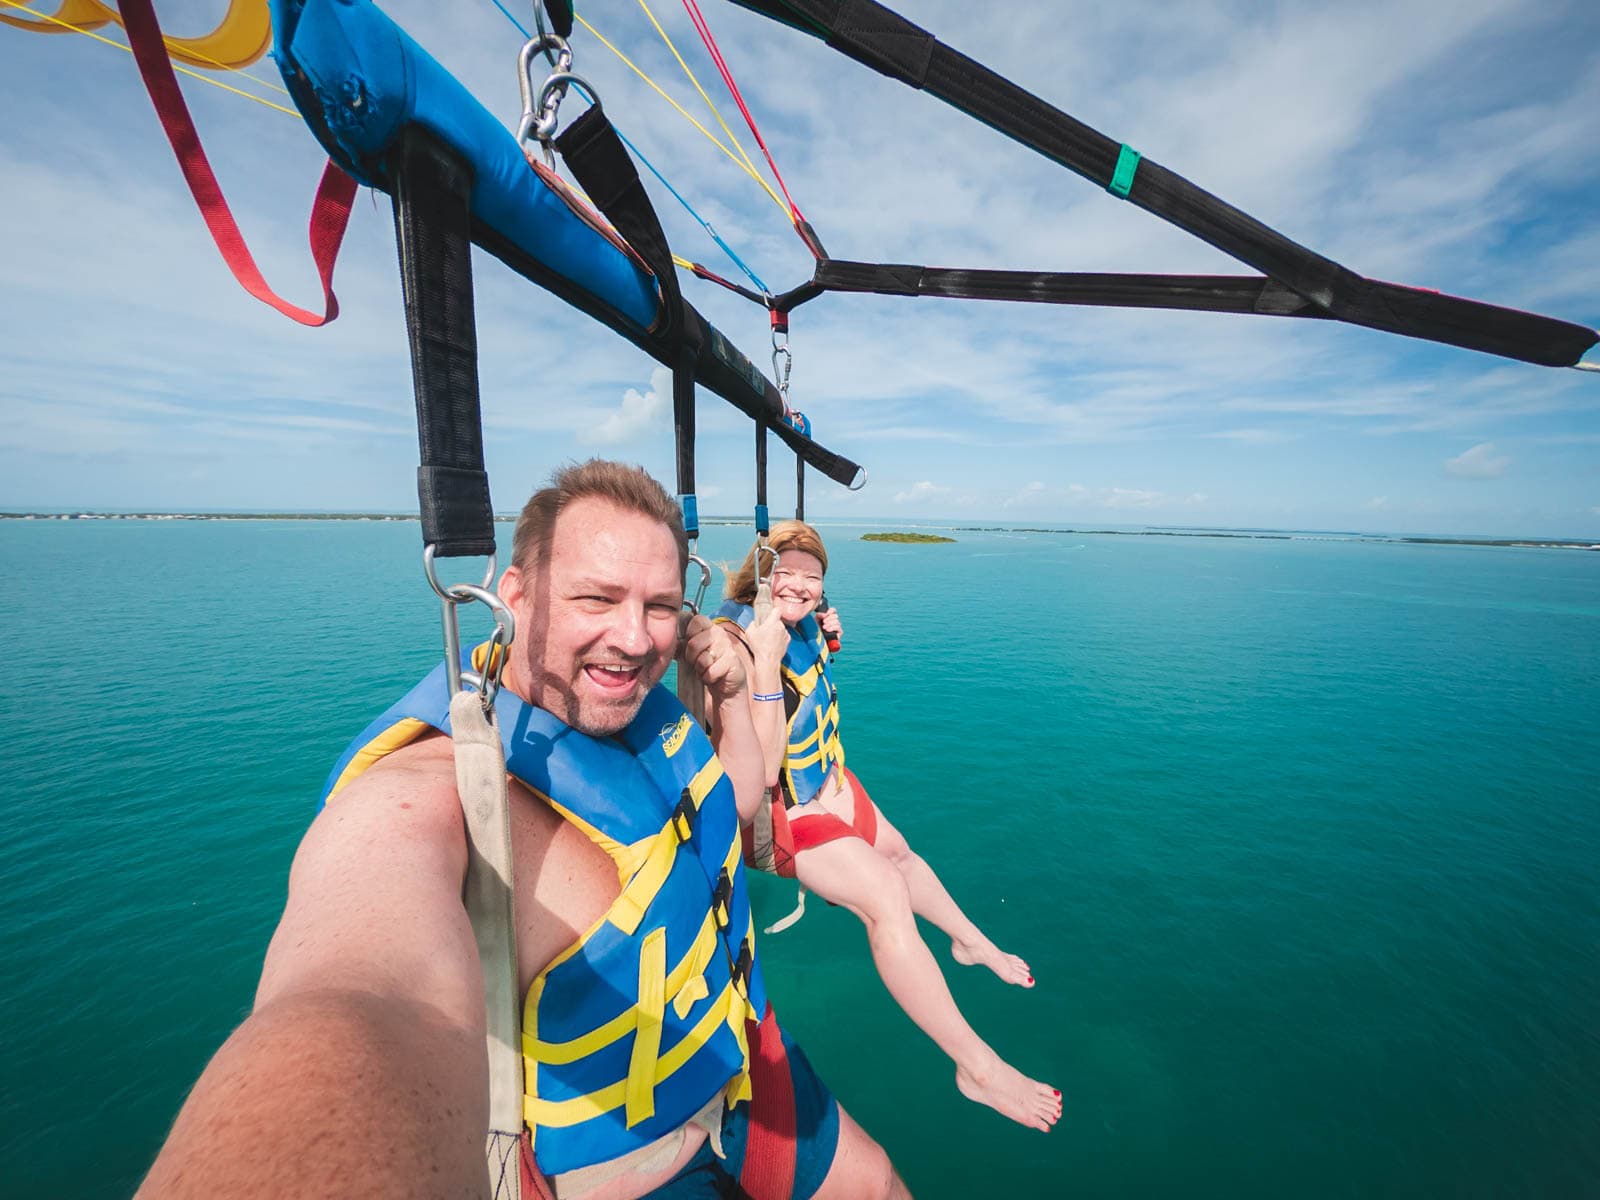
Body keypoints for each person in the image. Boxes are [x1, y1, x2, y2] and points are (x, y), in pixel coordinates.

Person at [137, 461, 908, 1200]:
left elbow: (730, 810)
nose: (636, 639)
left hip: (737, 1072)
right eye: (596, 599)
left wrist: (734, 693)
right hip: (632, 1168)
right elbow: (352, 1000)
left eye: (660, 606)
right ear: (514, 593)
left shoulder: (649, 712)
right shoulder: (440, 793)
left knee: (879, 1185)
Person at [713, 520, 1062, 1134]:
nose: (798, 586)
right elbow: (761, 768)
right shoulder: (744, 644)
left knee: (901, 854)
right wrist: (765, 668)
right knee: (886, 901)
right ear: (761, 573)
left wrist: (825, 637)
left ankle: (968, 941)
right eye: (784, 573)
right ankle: (976, 1067)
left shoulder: (803, 625)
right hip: (780, 813)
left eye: (812, 578)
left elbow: (812, 689)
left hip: (829, 782)